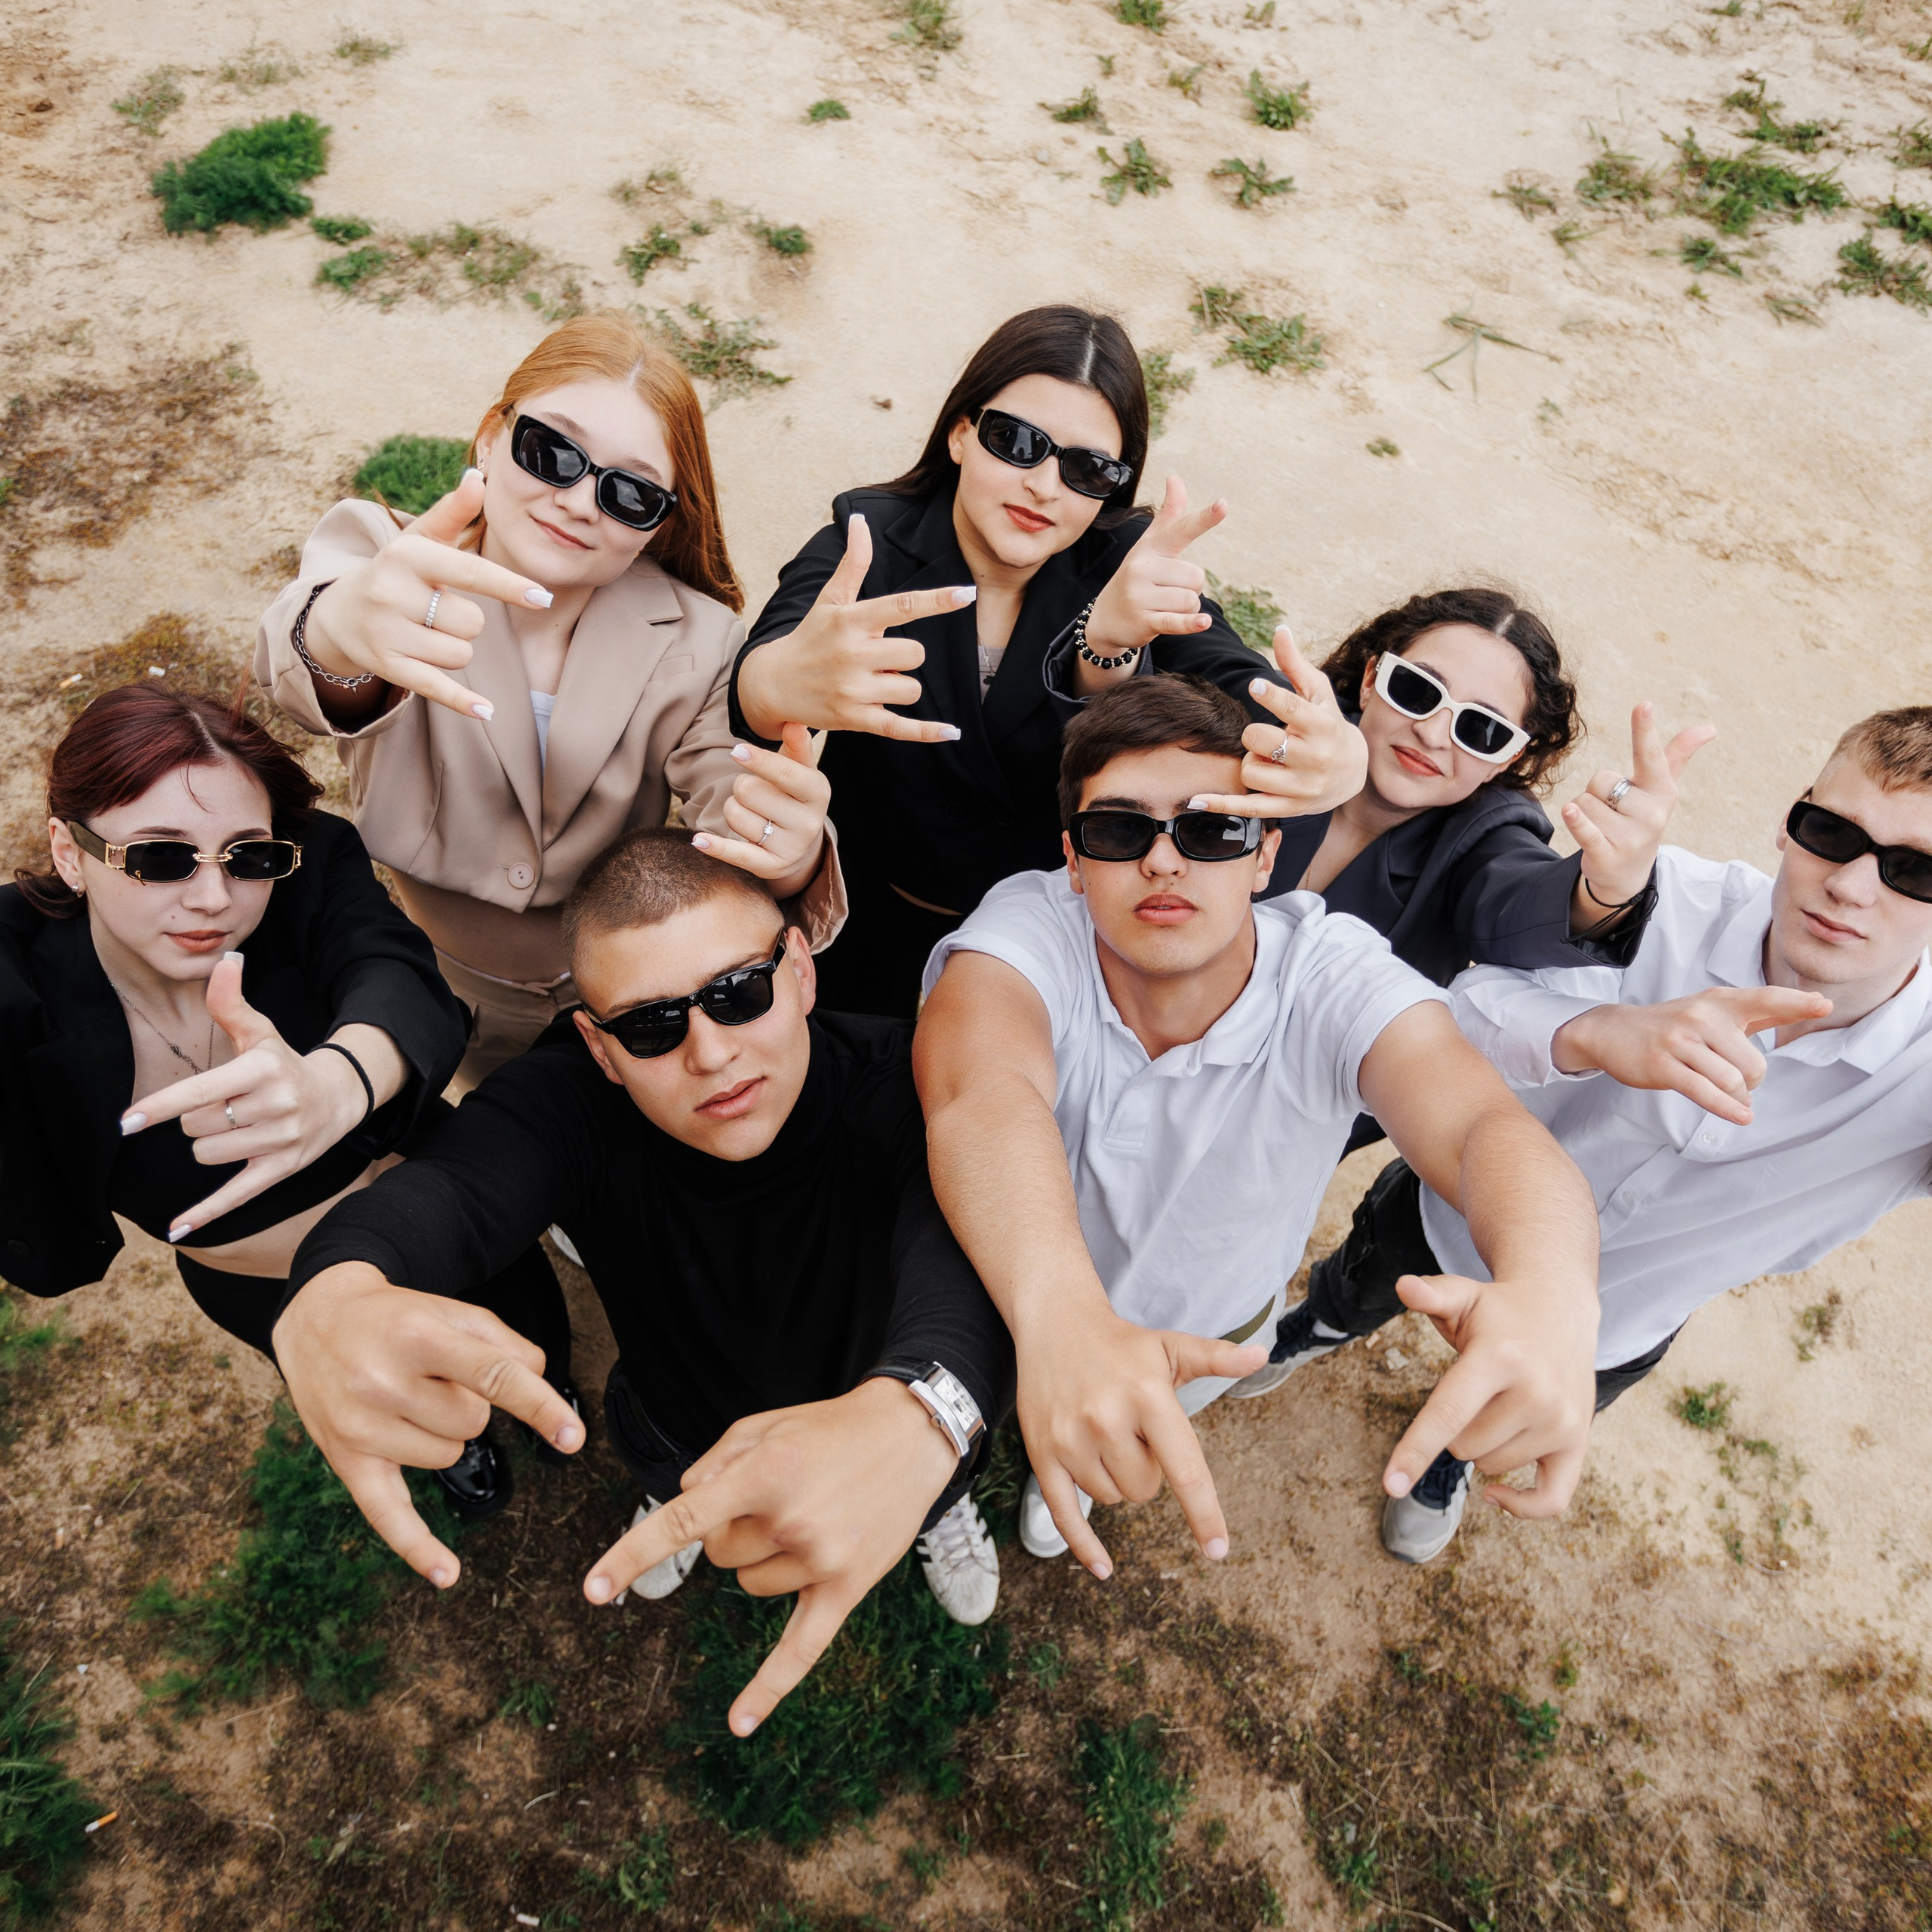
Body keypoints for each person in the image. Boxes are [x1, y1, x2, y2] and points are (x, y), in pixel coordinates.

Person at [272, 826, 1016, 1738]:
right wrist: (332, 1290)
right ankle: (680, 1501)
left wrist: (923, 1418)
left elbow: (973, 1254)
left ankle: (935, 1509)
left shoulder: (905, 1080)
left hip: (886, 1417)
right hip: (675, 1416)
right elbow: (455, 1191)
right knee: (674, 1467)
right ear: (599, 1045)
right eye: (652, 1025)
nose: (709, 1053)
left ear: (803, 973)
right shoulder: (569, 1100)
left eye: (740, 993)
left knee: (923, 1470)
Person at [913, 675, 1601, 1579]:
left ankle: (1066, 1485)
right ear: (1074, 861)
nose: (1163, 862)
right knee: (945, 1435)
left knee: (1123, 1442)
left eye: (1210, 829)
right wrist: (1060, 1317)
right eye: (1119, 831)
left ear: (1265, 856)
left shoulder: (1331, 972)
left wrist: (1555, 1292)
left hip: (1204, 1328)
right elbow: (980, 1091)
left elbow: (1479, 1121)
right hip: (1002, 1299)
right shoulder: (1028, 930)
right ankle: (947, 1489)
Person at [1281, 704, 1932, 1563]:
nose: (1850, 886)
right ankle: (1309, 1330)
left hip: (1616, 1322)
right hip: (1451, 1212)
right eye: (1831, 831)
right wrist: (1592, 1032)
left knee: (1499, 1416)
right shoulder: (1651, 893)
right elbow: (1462, 1010)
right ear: (1789, 819)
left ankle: (1450, 1458)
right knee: (1355, 1283)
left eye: (1914, 872)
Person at [0, 683, 571, 1516]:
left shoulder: (309, 868)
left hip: (435, 1215)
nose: (213, 899)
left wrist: (340, 1081)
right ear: (67, 850)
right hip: (266, 1287)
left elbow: (394, 970)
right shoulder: (16, 976)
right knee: (391, 1396)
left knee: (526, 1336)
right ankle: (463, 1450)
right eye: (161, 857)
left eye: (247, 855)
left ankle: (546, 1395)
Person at [727, 303, 1367, 1017]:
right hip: (857, 929)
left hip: (1051, 950)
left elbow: (1243, 686)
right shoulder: (867, 541)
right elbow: (768, 669)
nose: (1045, 485)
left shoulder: (1127, 565)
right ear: (961, 433)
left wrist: (1338, 755)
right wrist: (780, 680)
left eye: (1088, 469)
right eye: (1017, 441)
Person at [255, 311, 841, 1087]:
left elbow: (726, 802)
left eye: (630, 493)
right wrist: (336, 633)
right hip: (417, 968)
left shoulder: (699, 637)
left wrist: (789, 851)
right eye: (550, 451)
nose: (577, 500)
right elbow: (302, 647)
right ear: (491, 436)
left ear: (658, 524)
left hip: (623, 1006)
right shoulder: (389, 557)